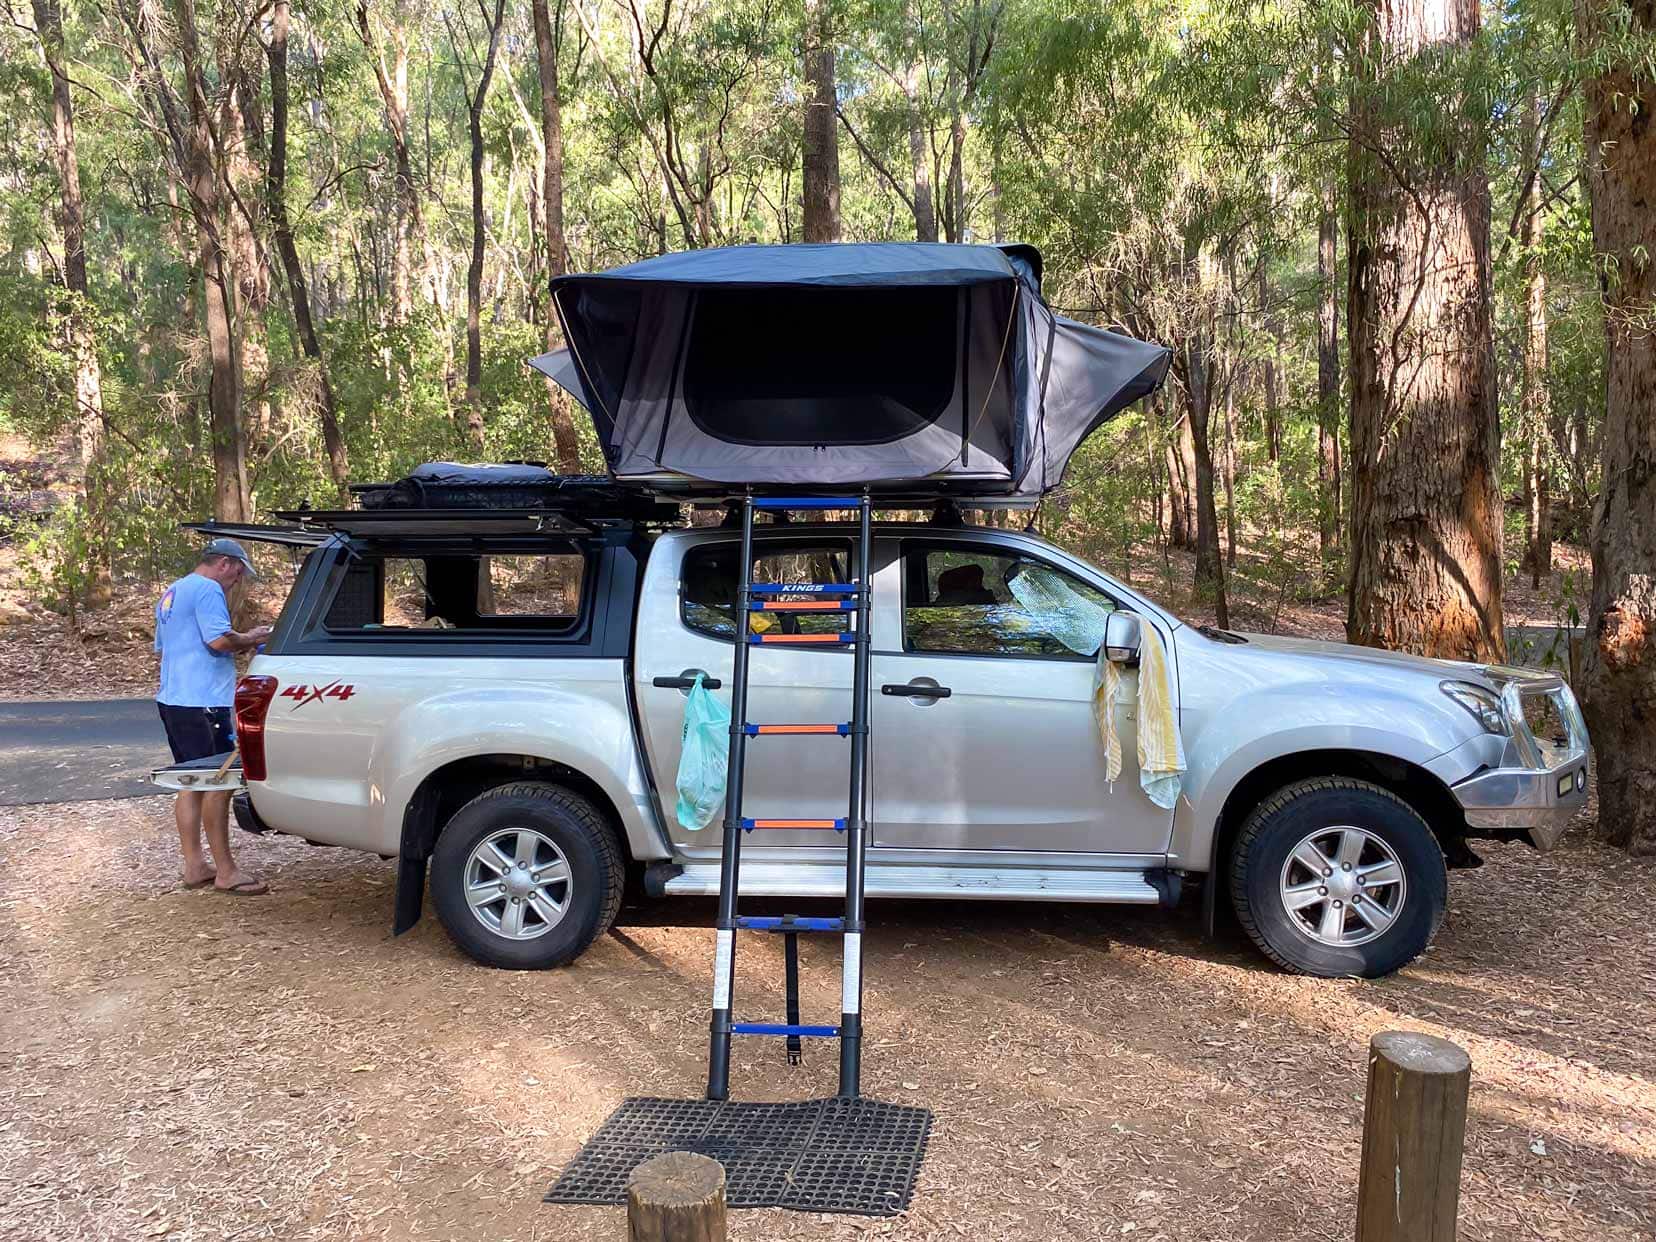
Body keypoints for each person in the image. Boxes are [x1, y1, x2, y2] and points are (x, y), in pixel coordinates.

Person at [155, 538, 273, 895]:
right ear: (223, 563)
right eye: (238, 571)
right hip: (205, 703)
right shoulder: (207, 590)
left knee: (189, 783)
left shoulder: (172, 592)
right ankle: (225, 871)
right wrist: (252, 638)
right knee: (217, 784)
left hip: (173, 700)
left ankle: (195, 866)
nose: (238, 579)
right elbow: (218, 641)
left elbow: (163, 646)